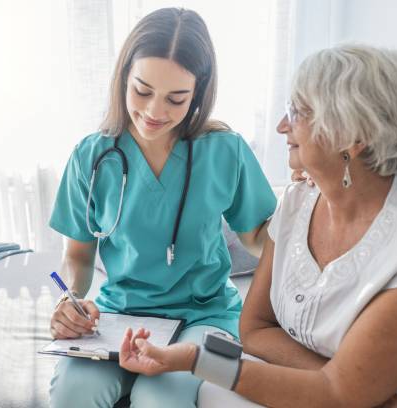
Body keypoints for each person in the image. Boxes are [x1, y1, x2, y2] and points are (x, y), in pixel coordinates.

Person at [118, 44, 397, 407]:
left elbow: (337, 396)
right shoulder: (298, 201)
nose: (282, 125)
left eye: (298, 112)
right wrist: (345, 381)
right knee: (214, 394)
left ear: (353, 136)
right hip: (357, 396)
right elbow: (254, 329)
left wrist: (197, 359)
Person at [48, 7, 277, 408]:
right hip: (119, 315)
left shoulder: (225, 151)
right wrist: (70, 299)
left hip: (204, 317)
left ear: (199, 94)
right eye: (142, 90)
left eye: (176, 98)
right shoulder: (91, 156)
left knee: (160, 399)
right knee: (73, 394)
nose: (154, 112)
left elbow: (260, 238)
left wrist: (315, 214)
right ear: (123, 78)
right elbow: (78, 256)